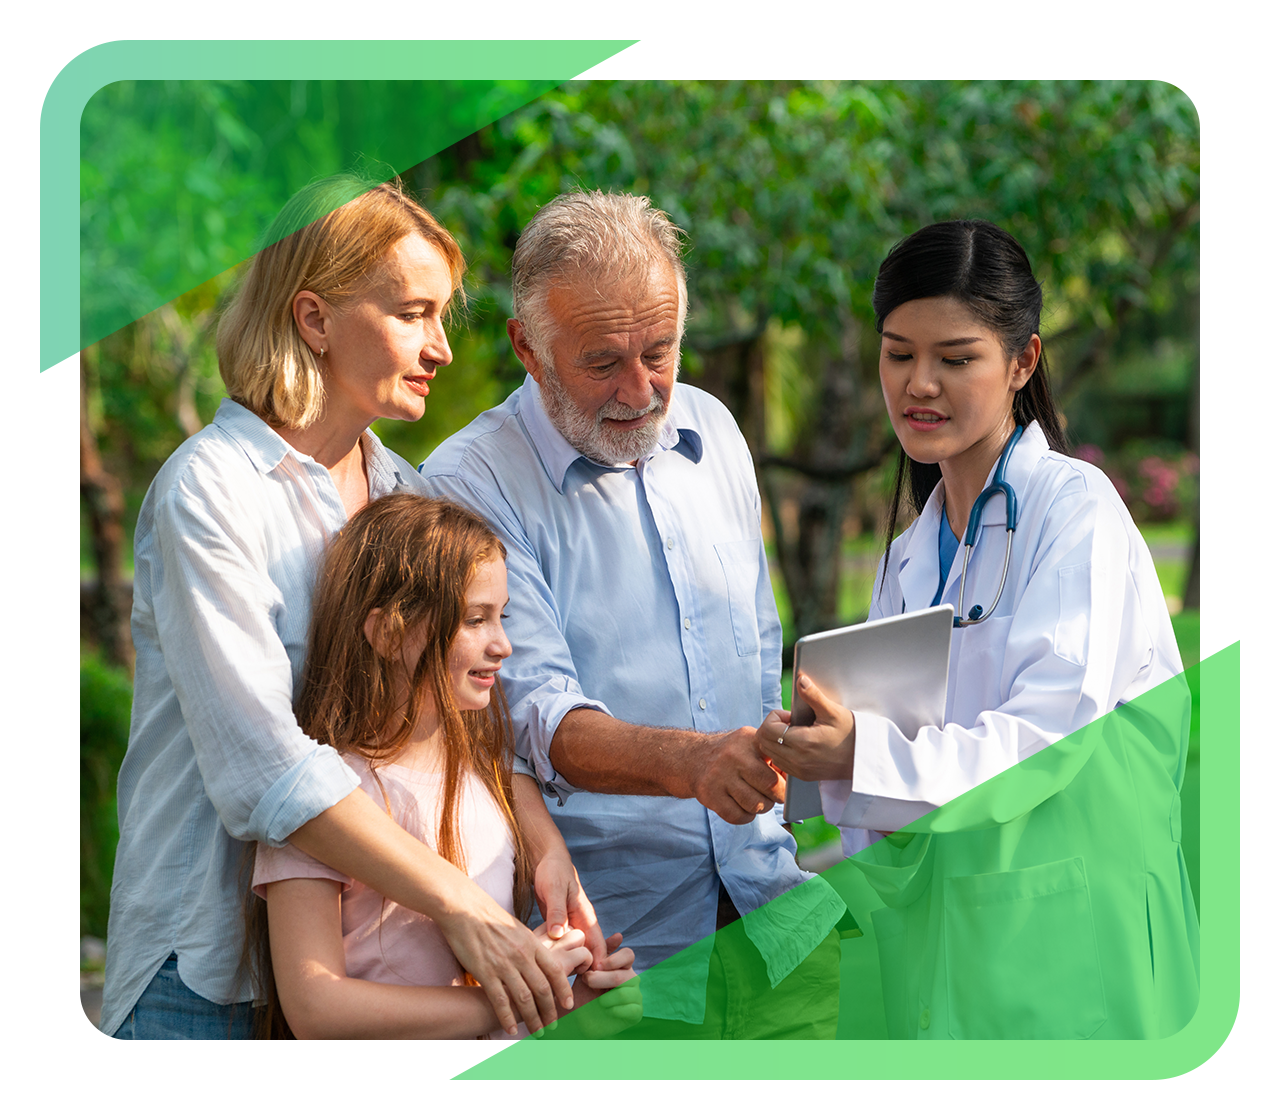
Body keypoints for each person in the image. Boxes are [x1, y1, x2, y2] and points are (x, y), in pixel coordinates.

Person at [102, 175, 601, 1041]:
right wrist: (459, 904)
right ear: (313, 319)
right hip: (206, 971)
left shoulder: (400, 494)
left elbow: (461, 711)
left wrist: (543, 850)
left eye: (443, 315)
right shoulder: (210, 493)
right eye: (412, 313)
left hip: (364, 969)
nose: (440, 347)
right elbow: (264, 770)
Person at [421, 190, 847, 1039]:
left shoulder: (715, 432)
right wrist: (692, 763)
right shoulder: (470, 484)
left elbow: (756, 640)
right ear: (527, 349)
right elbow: (529, 713)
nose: (642, 389)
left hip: (776, 912)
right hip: (611, 954)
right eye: (603, 362)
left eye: (661, 351)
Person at [759, 219, 1200, 1039]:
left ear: (1023, 361)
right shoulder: (910, 556)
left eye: (955, 359)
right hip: (948, 946)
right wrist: (814, 754)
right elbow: (890, 770)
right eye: (898, 354)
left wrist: (860, 753)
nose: (919, 384)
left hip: (1073, 943)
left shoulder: (1078, 515)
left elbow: (1043, 739)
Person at [250, 494, 640, 1039]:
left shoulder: (488, 781)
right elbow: (316, 1008)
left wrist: (567, 994)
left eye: (502, 618)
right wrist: (521, 1000)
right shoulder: (325, 801)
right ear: (387, 633)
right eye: (475, 620)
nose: (502, 645)